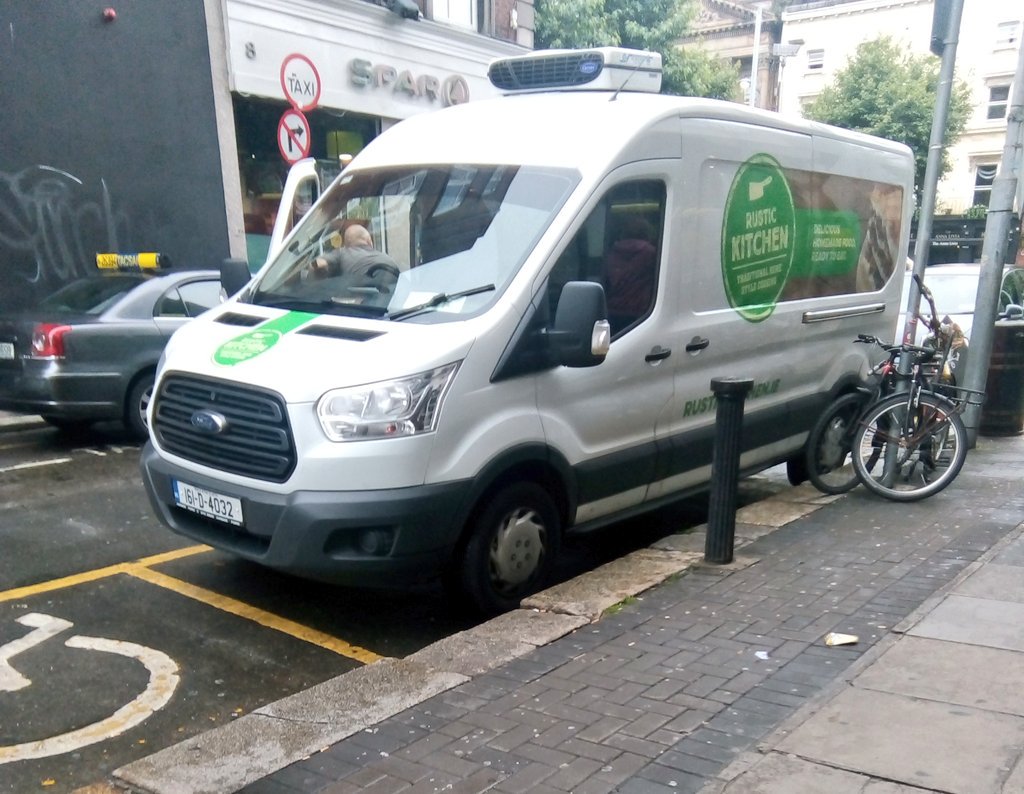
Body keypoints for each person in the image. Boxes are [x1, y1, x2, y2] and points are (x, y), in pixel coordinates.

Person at [604, 216, 658, 326]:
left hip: (613, 310)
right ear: (646, 233)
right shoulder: (651, 254)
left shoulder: (611, 253)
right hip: (641, 311)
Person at [310, 224, 399, 288]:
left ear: (346, 243)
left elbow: (317, 264)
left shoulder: (342, 252)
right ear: (369, 240)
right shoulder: (387, 258)